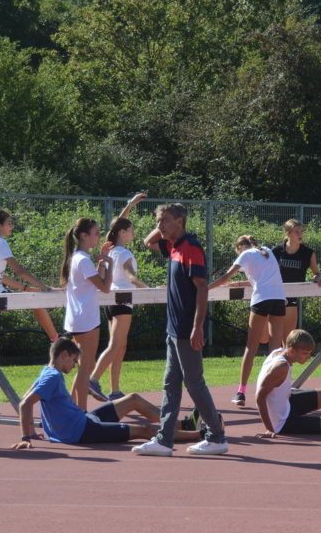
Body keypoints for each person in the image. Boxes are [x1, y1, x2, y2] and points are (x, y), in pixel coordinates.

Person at [133, 203, 229, 456]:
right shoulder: (173, 247)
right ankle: (164, 441)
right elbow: (148, 242)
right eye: (158, 221)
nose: (160, 225)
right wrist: (162, 227)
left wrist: (197, 327)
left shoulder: (191, 247)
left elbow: (202, 288)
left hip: (187, 329)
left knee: (194, 384)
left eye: (165, 220)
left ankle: (217, 437)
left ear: (180, 220)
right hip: (173, 330)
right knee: (170, 384)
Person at [10, 338, 202, 449]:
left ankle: (184, 425)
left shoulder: (47, 371)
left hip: (83, 420)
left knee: (133, 398)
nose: (74, 365)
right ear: (64, 354)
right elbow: (25, 404)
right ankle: (200, 434)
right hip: (80, 431)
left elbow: (25, 400)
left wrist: (32, 432)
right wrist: (26, 437)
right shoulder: (52, 377)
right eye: (74, 360)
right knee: (145, 431)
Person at [0, 209, 58, 416]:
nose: (12, 226)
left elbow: (0, 277)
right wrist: (43, 287)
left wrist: (26, 288)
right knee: (36, 301)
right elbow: (19, 271)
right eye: (9, 223)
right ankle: (56, 339)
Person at [208, 235, 287, 407]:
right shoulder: (267, 251)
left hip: (262, 299)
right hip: (279, 299)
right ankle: (274, 392)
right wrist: (237, 284)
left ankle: (241, 392)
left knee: (251, 347)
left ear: (240, 248)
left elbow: (225, 277)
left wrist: (205, 289)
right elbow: (261, 278)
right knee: (275, 350)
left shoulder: (246, 254)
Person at [89, 193, 150, 403]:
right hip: (122, 300)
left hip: (111, 302)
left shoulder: (111, 249)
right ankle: (93, 380)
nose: (133, 233)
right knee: (115, 346)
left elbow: (116, 225)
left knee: (120, 347)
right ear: (122, 233)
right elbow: (132, 278)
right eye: (131, 230)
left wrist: (130, 205)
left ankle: (115, 390)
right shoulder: (123, 253)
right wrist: (151, 290)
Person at [60, 217, 113, 411]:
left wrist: (102, 261)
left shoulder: (79, 258)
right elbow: (105, 287)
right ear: (84, 236)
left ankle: (74, 407)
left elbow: (95, 281)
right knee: (85, 368)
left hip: (82, 318)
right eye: (96, 233)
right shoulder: (82, 259)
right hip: (85, 319)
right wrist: (111, 263)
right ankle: (80, 410)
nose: (100, 236)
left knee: (85, 367)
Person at [272, 219, 321, 334]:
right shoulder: (276, 251)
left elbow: (317, 273)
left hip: (292, 298)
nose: (300, 234)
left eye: (302, 231)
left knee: (288, 337)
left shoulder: (308, 253)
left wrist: (317, 279)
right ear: (288, 234)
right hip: (275, 296)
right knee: (274, 337)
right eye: (296, 232)